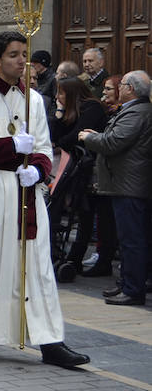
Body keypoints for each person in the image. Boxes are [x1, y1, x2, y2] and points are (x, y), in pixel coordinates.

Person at [0, 31, 89, 368]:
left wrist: (37, 170)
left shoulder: (34, 100)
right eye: (13, 54)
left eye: (24, 54)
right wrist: (9, 147)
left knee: (36, 265)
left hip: (25, 190)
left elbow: (42, 147)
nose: (22, 60)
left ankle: (49, 340)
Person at [79, 71, 152, 306]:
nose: (118, 88)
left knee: (132, 240)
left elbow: (114, 142)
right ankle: (127, 283)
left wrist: (89, 138)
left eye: (120, 85)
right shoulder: (135, 109)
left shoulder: (137, 112)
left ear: (130, 88)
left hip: (129, 185)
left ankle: (133, 289)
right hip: (124, 183)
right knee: (128, 238)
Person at [48, 77, 110, 282]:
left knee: (89, 216)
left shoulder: (92, 108)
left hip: (93, 171)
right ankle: (62, 255)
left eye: (62, 93)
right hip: (75, 170)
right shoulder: (69, 110)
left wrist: (62, 142)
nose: (58, 97)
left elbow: (75, 136)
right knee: (78, 212)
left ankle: (81, 258)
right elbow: (55, 136)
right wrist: (58, 113)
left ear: (73, 94)